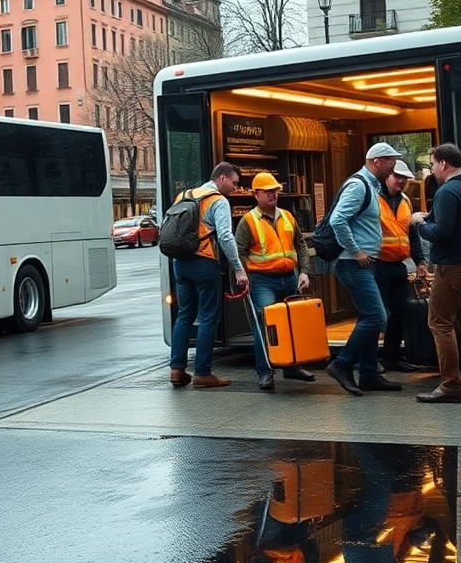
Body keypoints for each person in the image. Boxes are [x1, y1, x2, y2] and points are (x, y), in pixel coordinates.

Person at [411, 143, 461, 404]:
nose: (431, 170)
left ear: (443, 164)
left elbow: (440, 233)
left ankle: (449, 386)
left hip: (455, 268)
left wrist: (419, 222)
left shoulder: (448, 191)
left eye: (432, 164)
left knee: (440, 323)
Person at [324, 142, 403, 396]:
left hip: (364, 262)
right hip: (354, 263)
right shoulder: (359, 185)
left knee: (367, 316)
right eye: (391, 160)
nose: (393, 166)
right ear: (377, 161)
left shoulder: (371, 186)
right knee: (376, 316)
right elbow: (338, 219)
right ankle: (342, 364)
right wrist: (356, 251)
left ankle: (368, 374)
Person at [233, 172, 316, 391]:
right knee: (265, 325)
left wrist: (304, 272)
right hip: (262, 280)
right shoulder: (248, 221)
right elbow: (239, 251)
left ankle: (291, 366)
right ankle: (265, 372)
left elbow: (300, 245)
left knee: (292, 322)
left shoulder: (288, 217)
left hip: (289, 276)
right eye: (268, 191)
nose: (273, 194)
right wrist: (244, 276)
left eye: (275, 191)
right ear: (256, 194)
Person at [170, 162, 246, 389]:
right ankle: (203, 373)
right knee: (208, 317)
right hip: (204, 262)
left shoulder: (184, 195)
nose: (235, 188)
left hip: (180, 263)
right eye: (233, 183)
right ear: (221, 178)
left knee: (184, 315)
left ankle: (177, 370)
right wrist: (238, 267)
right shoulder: (218, 201)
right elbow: (224, 236)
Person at [376, 160, 429, 373]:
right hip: (376, 264)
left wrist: (420, 262)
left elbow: (411, 233)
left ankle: (392, 357)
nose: (402, 181)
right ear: (386, 176)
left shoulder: (405, 200)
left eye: (405, 178)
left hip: (398, 265)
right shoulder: (373, 199)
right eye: (397, 176)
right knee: (376, 314)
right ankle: (370, 360)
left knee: (399, 311)